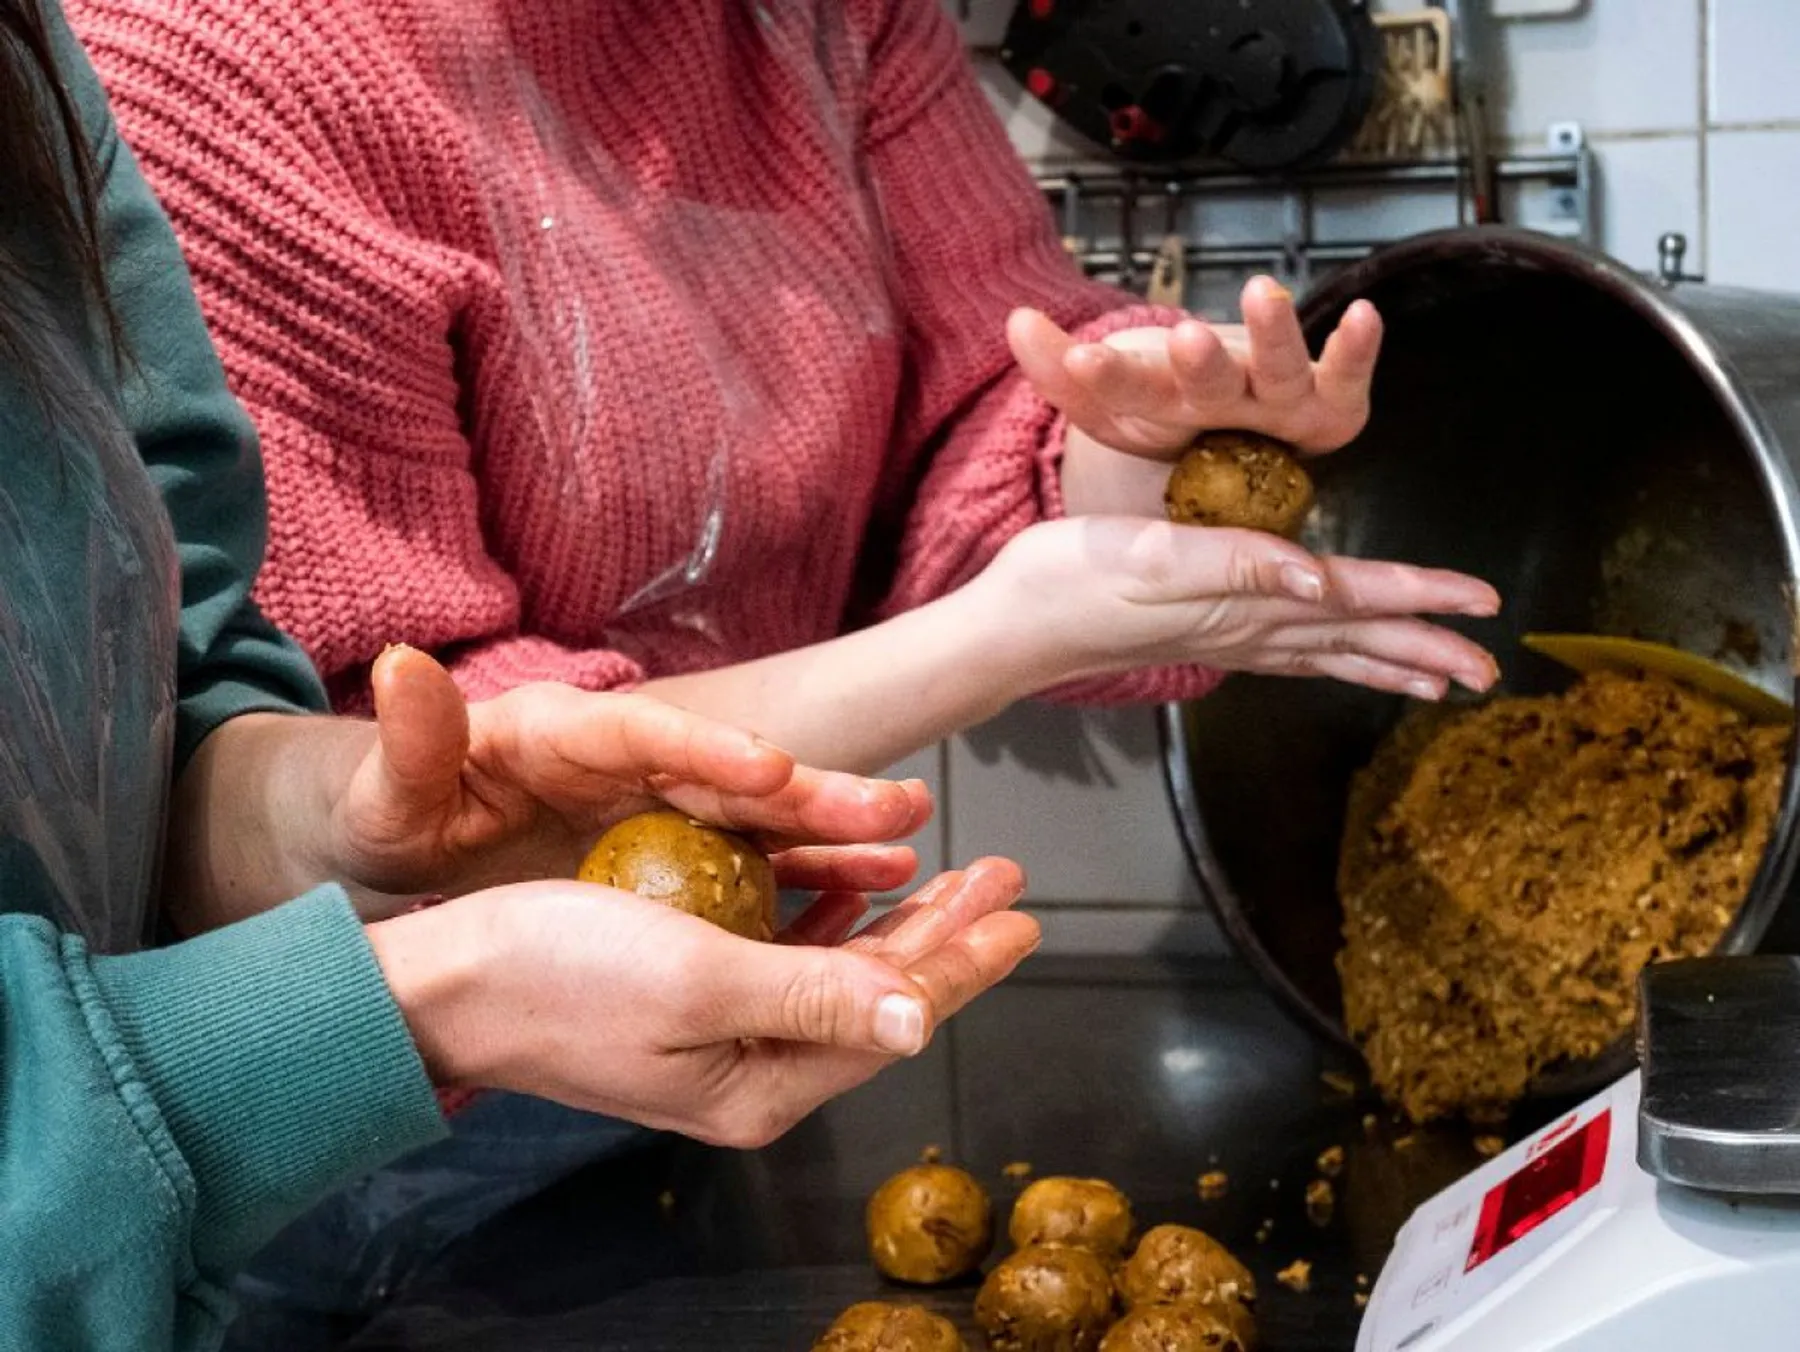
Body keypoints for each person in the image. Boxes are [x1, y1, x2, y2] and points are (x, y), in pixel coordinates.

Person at [67, 0, 1506, 1333]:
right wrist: (1004, 632)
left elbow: (985, 391)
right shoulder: (209, 62)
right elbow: (370, 747)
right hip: (308, 1081)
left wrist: (1111, 466)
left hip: (706, 1001)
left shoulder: (831, 14)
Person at [0, 3, 1039, 1348]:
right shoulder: (212, 53)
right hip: (247, 1175)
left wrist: (336, 820)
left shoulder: (30, 54)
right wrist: (434, 996)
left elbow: (149, 679)